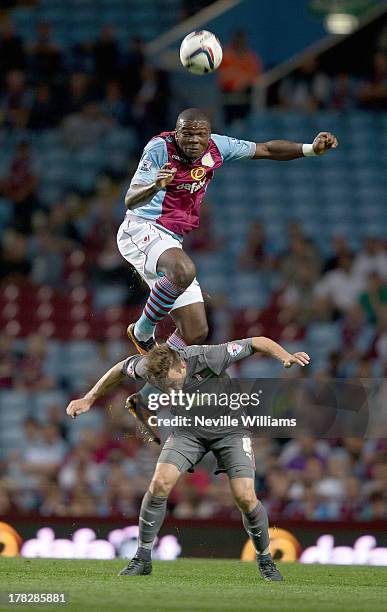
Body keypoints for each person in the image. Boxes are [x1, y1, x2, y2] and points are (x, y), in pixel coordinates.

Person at [66, 334, 310, 580]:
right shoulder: (149, 367)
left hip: (230, 429)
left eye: (174, 383)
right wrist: (90, 397)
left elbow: (255, 342)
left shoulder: (208, 356)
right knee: (160, 482)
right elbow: (119, 369)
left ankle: (266, 561)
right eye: (166, 386)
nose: (172, 390)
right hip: (188, 430)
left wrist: (285, 356)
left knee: (245, 497)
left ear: (182, 365)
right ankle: (142, 557)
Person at [117, 107, 338, 355]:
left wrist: (310, 149)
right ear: (176, 133)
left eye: (200, 135)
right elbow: (130, 199)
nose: (193, 141)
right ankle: (142, 332)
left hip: (171, 239)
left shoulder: (218, 147)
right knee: (184, 270)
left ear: (209, 134)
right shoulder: (159, 148)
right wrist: (155, 184)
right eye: (186, 134)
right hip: (140, 228)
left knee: (196, 331)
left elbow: (265, 149)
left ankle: (156, 365)